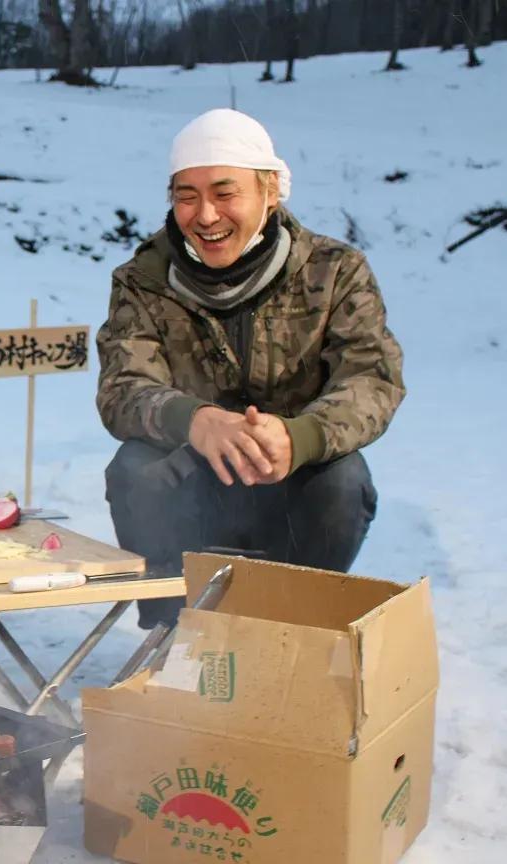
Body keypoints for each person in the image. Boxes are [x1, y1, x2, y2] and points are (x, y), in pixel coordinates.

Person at [96, 109, 405, 629]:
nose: (206, 215)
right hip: (195, 476)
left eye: (225, 193)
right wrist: (195, 419)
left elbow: (371, 377)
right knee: (136, 469)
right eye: (186, 195)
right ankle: (180, 630)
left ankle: (297, 630)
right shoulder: (143, 280)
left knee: (344, 481)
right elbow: (123, 388)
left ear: (270, 193)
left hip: (293, 475)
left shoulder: (334, 271)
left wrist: (299, 437)